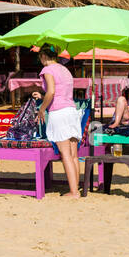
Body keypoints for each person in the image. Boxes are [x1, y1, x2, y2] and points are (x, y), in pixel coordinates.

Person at [34, 45, 81, 198]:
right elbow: (61, 92)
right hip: (71, 112)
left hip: (59, 113)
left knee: (65, 154)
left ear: (43, 56)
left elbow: (52, 91)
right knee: (74, 154)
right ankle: (76, 188)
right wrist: (43, 97)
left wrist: (42, 108)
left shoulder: (47, 70)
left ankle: (73, 192)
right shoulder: (65, 70)